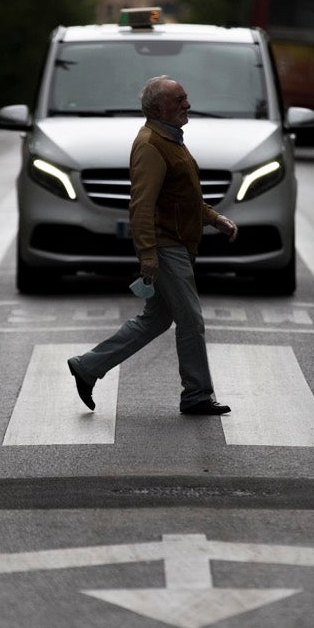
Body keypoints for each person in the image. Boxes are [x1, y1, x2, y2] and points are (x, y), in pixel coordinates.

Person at [67, 75, 240, 416]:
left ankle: (88, 366)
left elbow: (182, 198)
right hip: (166, 244)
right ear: (160, 107)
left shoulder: (171, 140)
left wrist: (213, 218)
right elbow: (142, 205)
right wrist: (148, 252)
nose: (187, 105)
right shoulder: (151, 144)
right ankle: (196, 395)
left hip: (175, 242)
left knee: (156, 320)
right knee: (191, 320)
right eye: (180, 100)